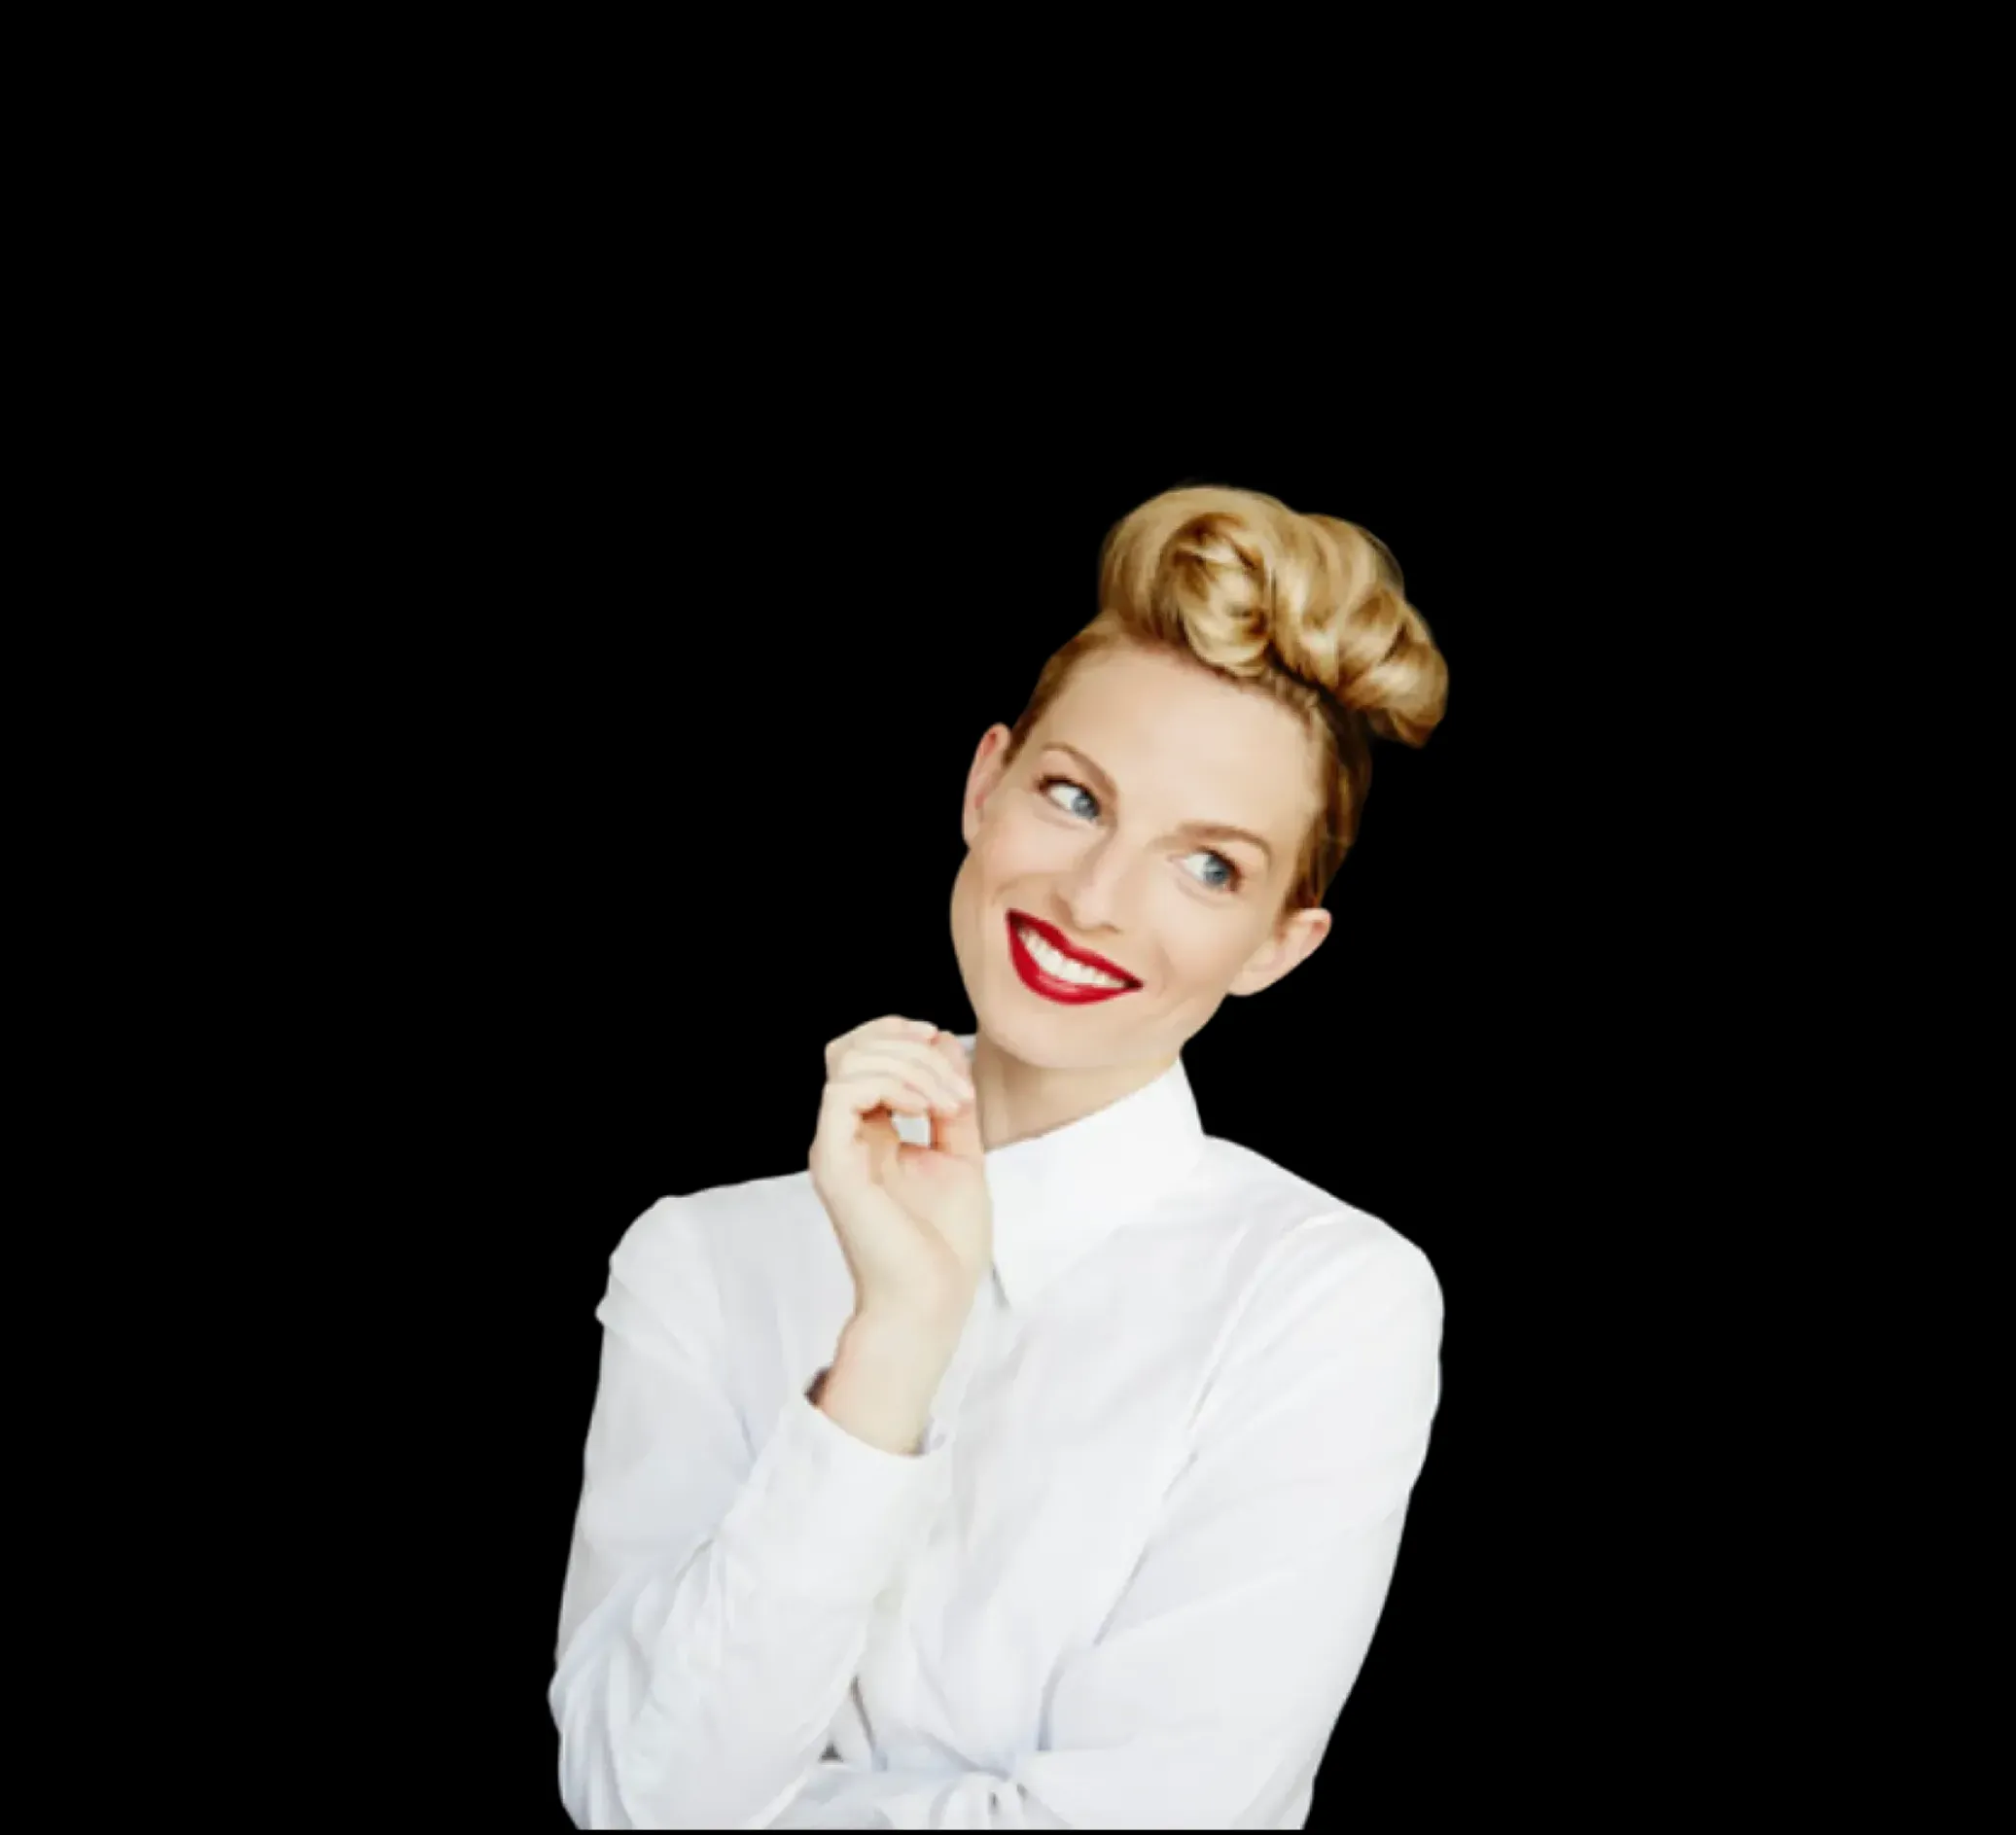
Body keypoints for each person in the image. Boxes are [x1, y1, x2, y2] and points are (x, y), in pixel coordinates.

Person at [547, 484, 1455, 1829]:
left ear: (1279, 944)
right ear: (986, 782)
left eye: (1208, 866)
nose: (1094, 899)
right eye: (1076, 796)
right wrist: (893, 1345)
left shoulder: (1320, 1298)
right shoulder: (697, 1260)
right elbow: (634, 1797)